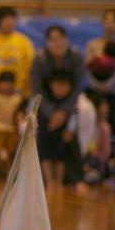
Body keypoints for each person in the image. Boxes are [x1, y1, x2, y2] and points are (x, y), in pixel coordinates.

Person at [30, 24, 85, 152]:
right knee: (27, 120)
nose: (58, 43)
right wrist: (50, 112)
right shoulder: (40, 58)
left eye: (61, 39)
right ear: (47, 43)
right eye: (53, 40)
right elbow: (37, 90)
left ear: (67, 40)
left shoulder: (76, 56)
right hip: (45, 100)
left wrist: (64, 111)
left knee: (87, 111)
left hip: (70, 100)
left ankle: (84, 156)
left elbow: (77, 88)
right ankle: (34, 158)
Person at [84, 8, 115, 139]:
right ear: (102, 23)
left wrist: (108, 85)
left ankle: (113, 158)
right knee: (91, 125)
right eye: (107, 20)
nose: (110, 24)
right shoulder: (92, 44)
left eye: (114, 21)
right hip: (94, 92)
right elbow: (88, 67)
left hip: (114, 92)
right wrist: (97, 85)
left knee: (114, 127)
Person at [36, 69, 81, 188]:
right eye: (57, 85)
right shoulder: (45, 101)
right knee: (45, 153)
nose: (60, 89)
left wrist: (70, 130)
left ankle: (59, 181)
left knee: (60, 154)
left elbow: (74, 116)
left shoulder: (71, 103)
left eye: (64, 85)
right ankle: (49, 180)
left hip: (62, 134)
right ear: (51, 85)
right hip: (45, 132)